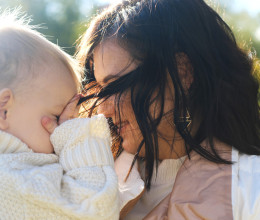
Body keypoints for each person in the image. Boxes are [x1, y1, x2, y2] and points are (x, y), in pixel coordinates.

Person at [76, 0, 260, 219]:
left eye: (116, 86)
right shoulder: (90, 179)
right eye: (101, 90)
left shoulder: (250, 187)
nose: (103, 110)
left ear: (182, 72)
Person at [0, 10, 119, 220]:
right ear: (3, 110)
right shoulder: (13, 179)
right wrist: (76, 136)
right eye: (57, 117)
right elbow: (96, 210)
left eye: (66, 121)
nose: (62, 126)